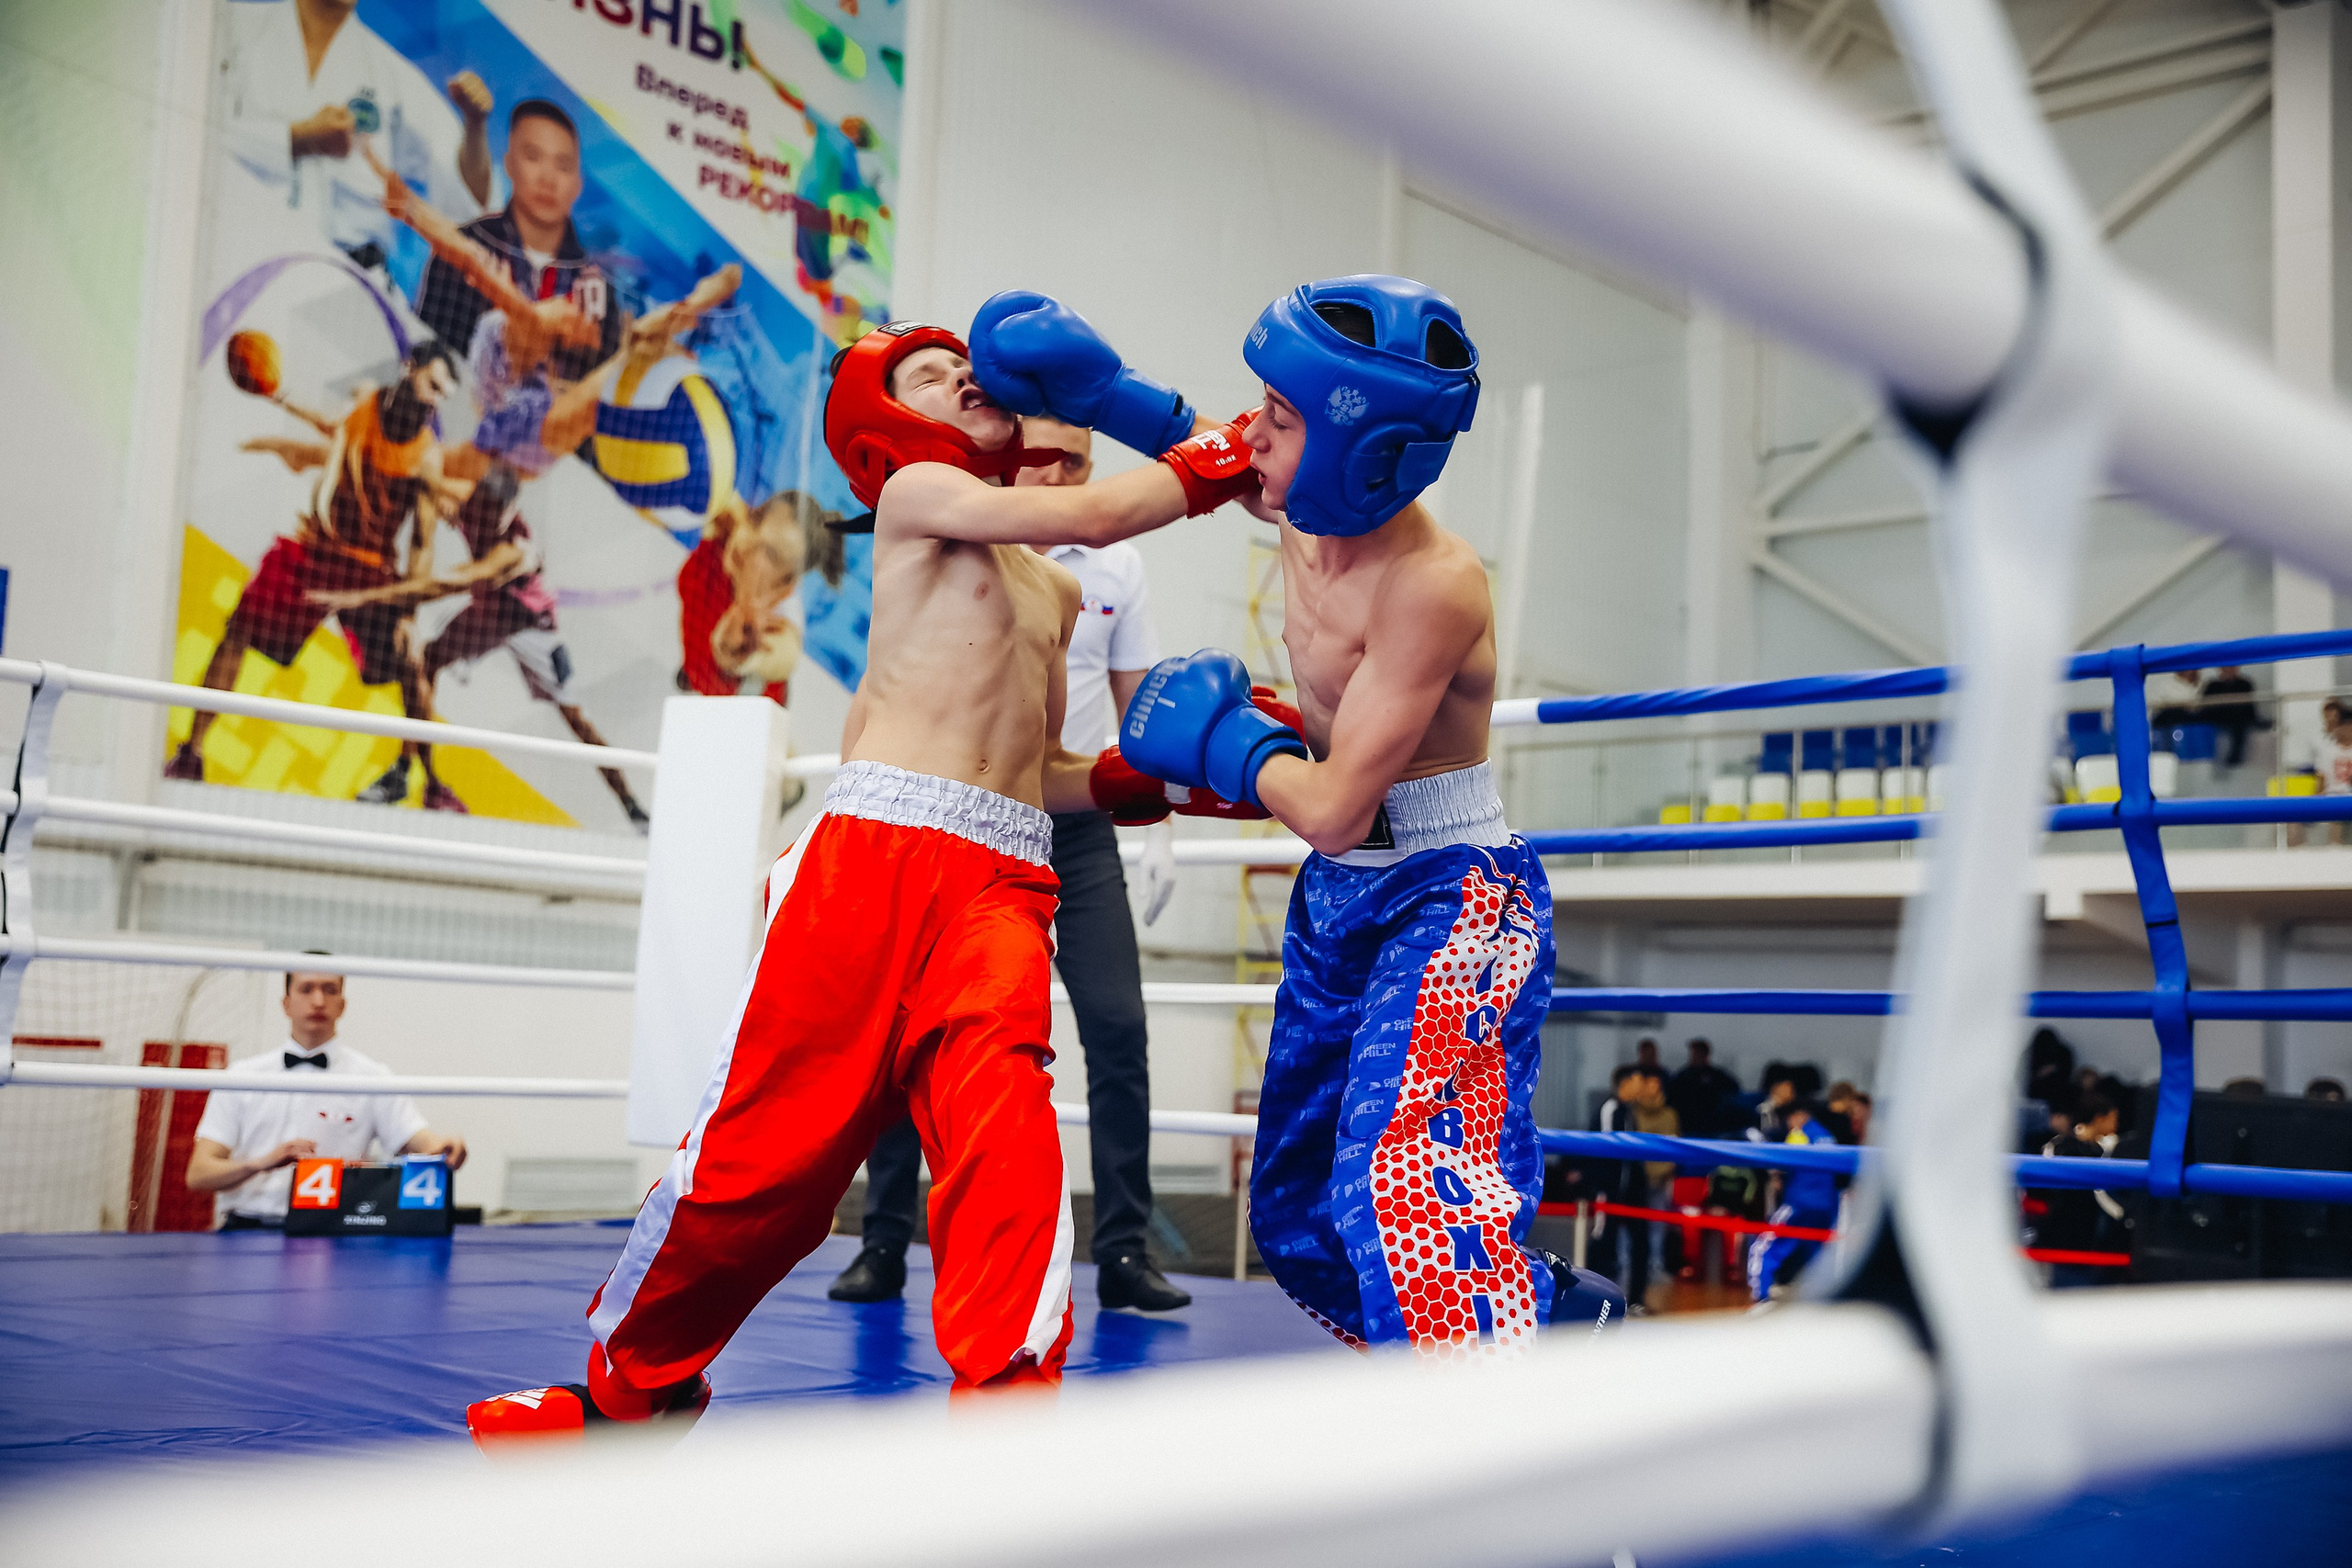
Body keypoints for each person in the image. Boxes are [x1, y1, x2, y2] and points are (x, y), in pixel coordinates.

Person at [465, 314, 1269, 1443]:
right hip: (870, 858)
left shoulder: (1055, 590)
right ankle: (622, 1395)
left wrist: (1153, 785)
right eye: (931, 376)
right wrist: (1221, 449)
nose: (960, 378)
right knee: (762, 1163)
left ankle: (1009, 1406)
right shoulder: (918, 505)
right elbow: (1101, 508)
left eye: (959, 366)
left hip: (1001, 873)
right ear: (888, 428)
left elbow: (1040, 769)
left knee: (1006, 1130)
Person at [987, 276, 1561, 1357]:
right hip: (1344, 898)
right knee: (1297, 1217)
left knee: (1410, 1195)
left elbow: (1336, 806)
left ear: (1364, 455)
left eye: (1283, 418)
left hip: (1451, 898)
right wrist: (1098, 390)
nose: (1254, 431)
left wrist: (1240, 750)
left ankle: (1492, 1455)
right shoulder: (1300, 502)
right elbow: (1193, 442)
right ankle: (1529, 1333)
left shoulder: (1431, 584)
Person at [830, 415, 1193, 1314]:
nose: (1065, 471)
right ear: (1012, 456)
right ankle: (882, 1238)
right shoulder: (956, 523)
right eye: (1049, 456)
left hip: (1073, 820)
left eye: (1080, 459)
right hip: (966, 818)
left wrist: (1157, 819)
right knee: (909, 1027)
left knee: (1115, 1025)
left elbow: (1134, 710)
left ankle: (1122, 1250)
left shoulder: (1108, 570)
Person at [164, 342, 463, 798]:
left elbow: (422, 544)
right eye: (433, 385)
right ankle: (192, 753)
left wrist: (407, 614)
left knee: (411, 664)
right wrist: (276, 393)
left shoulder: (427, 457)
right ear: (410, 368)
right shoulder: (365, 399)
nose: (435, 400)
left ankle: (428, 782)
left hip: (369, 570)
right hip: (315, 551)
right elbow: (332, 423)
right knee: (238, 630)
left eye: (445, 395)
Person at [218, 0, 490, 274]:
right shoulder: (232, 26)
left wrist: (475, 126)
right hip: (237, 243)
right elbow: (192, 130)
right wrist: (298, 139)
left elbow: (467, 200)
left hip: (349, 279)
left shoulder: (390, 75)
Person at [185, 965, 467, 1228]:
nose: (318, 1000)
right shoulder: (242, 1076)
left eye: (329, 990)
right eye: (307, 989)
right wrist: (260, 1163)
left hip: (335, 1233)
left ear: (342, 1005)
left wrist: (443, 1145)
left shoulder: (372, 1077)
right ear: (286, 1003)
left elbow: (418, 1140)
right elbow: (198, 1174)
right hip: (245, 1230)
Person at [413, 98, 619, 389]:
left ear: (577, 184)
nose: (548, 179)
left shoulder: (599, 292)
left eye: (563, 166)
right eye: (533, 157)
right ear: (509, 164)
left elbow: (599, 393)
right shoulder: (465, 247)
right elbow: (428, 346)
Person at [2033, 1090, 2127, 1289]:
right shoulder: (2063, 1146)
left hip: (2094, 1244)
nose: (2115, 1126)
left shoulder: (2106, 1150)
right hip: (2068, 1241)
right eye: (2112, 1119)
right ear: (2099, 1119)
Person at [1748, 1100, 1839, 1303]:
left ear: (1799, 1115)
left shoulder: (1799, 1135)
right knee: (1818, 1257)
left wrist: (1777, 1175)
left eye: (1790, 1118)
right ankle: (1822, 1301)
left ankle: (1759, 1297)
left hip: (1799, 1202)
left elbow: (1783, 1166)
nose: (1788, 1123)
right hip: (1826, 1206)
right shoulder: (1827, 1136)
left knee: (1763, 1249)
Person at [1592, 1064, 1661, 1313]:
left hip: (1632, 1194)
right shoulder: (1609, 1110)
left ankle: (1636, 1300)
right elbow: (1604, 1150)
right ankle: (1598, 1301)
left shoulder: (1631, 1112)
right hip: (1610, 1193)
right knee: (1604, 1244)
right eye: (1637, 1081)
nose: (1642, 1087)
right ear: (1625, 1083)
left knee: (1641, 1245)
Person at [1668, 1037, 1740, 1137]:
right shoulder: (1683, 1076)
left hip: (1712, 1126)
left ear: (1706, 1054)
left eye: (1698, 1053)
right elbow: (1671, 1096)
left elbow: (1734, 1088)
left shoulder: (1716, 1075)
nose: (1695, 1056)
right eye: (1693, 1053)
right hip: (1688, 1124)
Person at [2197, 665, 2265, 769]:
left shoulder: (2245, 684)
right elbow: (2205, 705)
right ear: (2221, 669)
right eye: (2226, 668)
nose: (2229, 671)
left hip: (2238, 719)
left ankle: (2234, 760)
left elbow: (2249, 707)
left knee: (2240, 726)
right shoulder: (2213, 685)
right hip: (2217, 718)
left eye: (2232, 668)